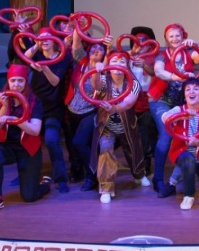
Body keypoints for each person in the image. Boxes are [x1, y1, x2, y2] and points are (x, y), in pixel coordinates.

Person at [0, 64, 50, 213]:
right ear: (8, 81)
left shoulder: (35, 101)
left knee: (29, 196)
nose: (16, 84)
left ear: (26, 82)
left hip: (28, 148)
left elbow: (35, 131)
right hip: (6, 146)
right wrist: (4, 107)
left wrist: (16, 119)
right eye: (13, 80)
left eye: (20, 80)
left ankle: (45, 183)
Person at [89, 51, 149, 203]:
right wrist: (96, 69)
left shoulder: (133, 83)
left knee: (133, 151)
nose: (118, 64)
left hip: (127, 126)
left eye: (122, 61)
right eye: (114, 61)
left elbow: (128, 103)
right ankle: (106, 188)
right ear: (109, 65)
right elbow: (95, 84)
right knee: (105, 150)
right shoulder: (104, 79)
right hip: (107, 126)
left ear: (127, 66)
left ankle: (139, 175)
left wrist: (114, 108)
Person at [150, 23, 199, 196]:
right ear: (166, 39)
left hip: (181, 103)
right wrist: (176, 77)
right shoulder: (162, 56)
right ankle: (158, 178)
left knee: (187, 135)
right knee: (166, 134)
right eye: (171, 36)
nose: (174, 39)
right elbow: (159, 72)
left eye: (177, 35)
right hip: (160, 101)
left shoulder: (189, 53)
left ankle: (178, 176)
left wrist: (196, 45)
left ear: (183, 36)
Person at [25, 26, 74, 193]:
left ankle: (61, 178)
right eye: (41, 38)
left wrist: (45, 68)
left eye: (48, 38)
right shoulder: (37, 55)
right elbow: (25, 58)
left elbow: (55, 81)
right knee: (29, 142)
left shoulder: (62, 57)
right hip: (35, 107)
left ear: (55, 41)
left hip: (54, 108)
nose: (44, 41)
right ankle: (28, 175)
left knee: (52, 140)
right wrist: (36, 45)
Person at [65, 29, 112, 192]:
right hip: (72, 110)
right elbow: (76, 42)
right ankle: (81, 171)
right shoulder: (81, 61)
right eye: (94, 48)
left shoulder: (105, 68)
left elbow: (97, 86)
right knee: (75, 145)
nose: (96, 50)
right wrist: (77, 24)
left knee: (79, 142)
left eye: (100, 49)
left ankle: (92, 176)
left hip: (90, 111)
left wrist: (98, 69)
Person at [161, 78, 199, 210]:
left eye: (196, 89)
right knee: (188, 161)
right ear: (184, 95)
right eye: (188, 89)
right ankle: (188, 196)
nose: (191, 92)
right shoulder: (178, 109)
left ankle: (188, 173)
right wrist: (181, 116)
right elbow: (165, 117)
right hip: (183, 152)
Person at [129, 26, 159, 176]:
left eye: (144, 40)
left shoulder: (156, 57)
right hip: (130, 101)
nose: (140, 43)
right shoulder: (128, 57)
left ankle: (146, 165)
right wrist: (131, 54)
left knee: (145, 135)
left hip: (148, 101)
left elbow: (156, 73)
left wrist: (145, 65)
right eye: (137, 40)